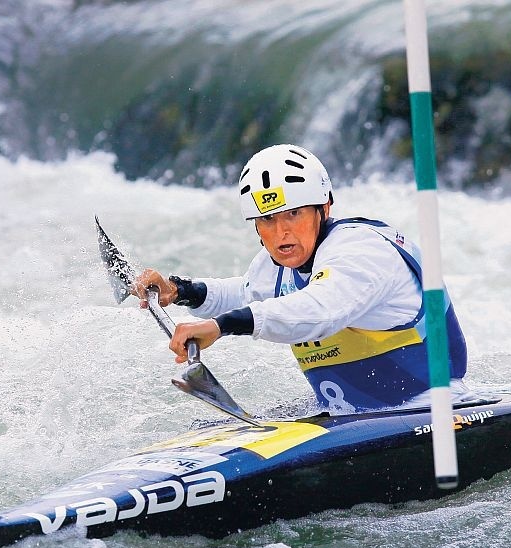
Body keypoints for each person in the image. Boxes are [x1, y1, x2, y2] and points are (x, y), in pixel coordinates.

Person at [135, 144, 468, 413]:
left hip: (430, 410)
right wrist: (177, 290)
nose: (281, 233)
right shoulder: (277, 265)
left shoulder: (362, 250)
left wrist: (221, 327)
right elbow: (244, 293)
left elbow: (320, 310)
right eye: (266, 220)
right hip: (346, 416)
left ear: (324, 207)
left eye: (293, 214)